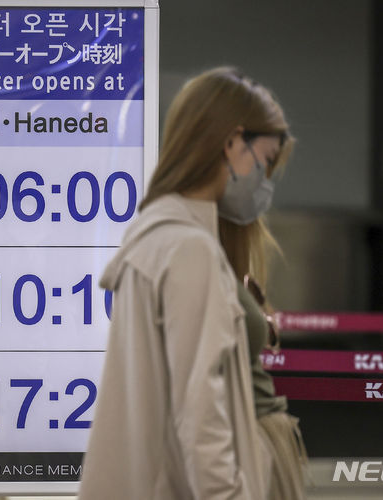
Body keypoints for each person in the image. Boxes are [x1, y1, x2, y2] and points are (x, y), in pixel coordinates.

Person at [78, 67, 306, 500]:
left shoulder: (160, 234)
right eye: (265, 159)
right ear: (232, 142)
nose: (265, 181)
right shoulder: (189, 249)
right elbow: (200, 408)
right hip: (233, 470)